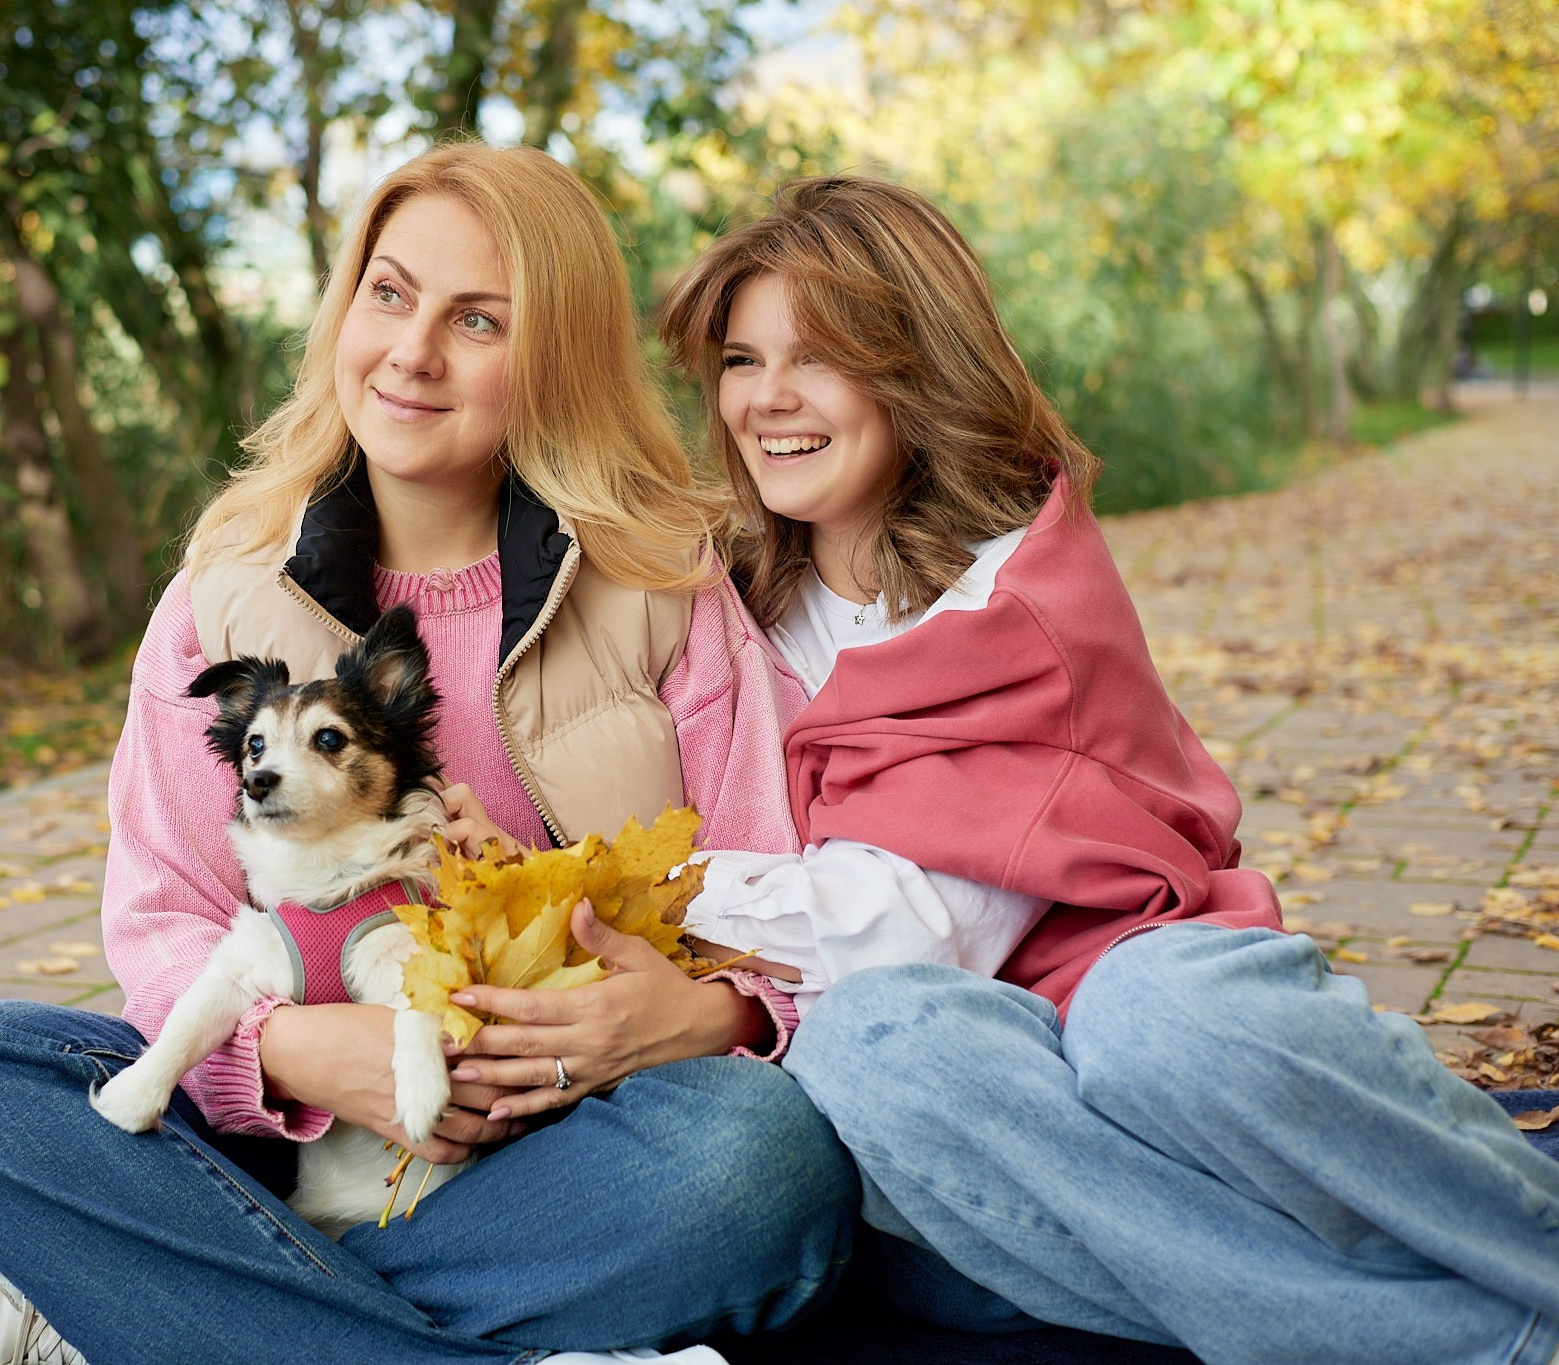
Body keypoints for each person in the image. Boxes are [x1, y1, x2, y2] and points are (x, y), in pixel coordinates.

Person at [0, 142, 857, 1365]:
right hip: (288, 1135)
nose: (411, 351)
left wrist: (699, 1019)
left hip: (566, 1142)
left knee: (762, 1165)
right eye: (387, 295)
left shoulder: (660, 583)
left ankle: (146, 1313)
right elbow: (162, 918)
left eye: (476, 320)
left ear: (548, 358)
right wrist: (289, 1050)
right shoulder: (223, 596)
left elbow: (779, 900)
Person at [652, 174, 1559, 1365]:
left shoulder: (1021, 603)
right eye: (737, 360)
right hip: (991, 1153)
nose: (766, 399)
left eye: (815, 358)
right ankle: (1480, 1341)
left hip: (1160, 1038)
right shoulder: (710, 610)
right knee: (866, 1045)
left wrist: (669, 893)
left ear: (915, 366)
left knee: (1155, 1015)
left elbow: (929, 916)